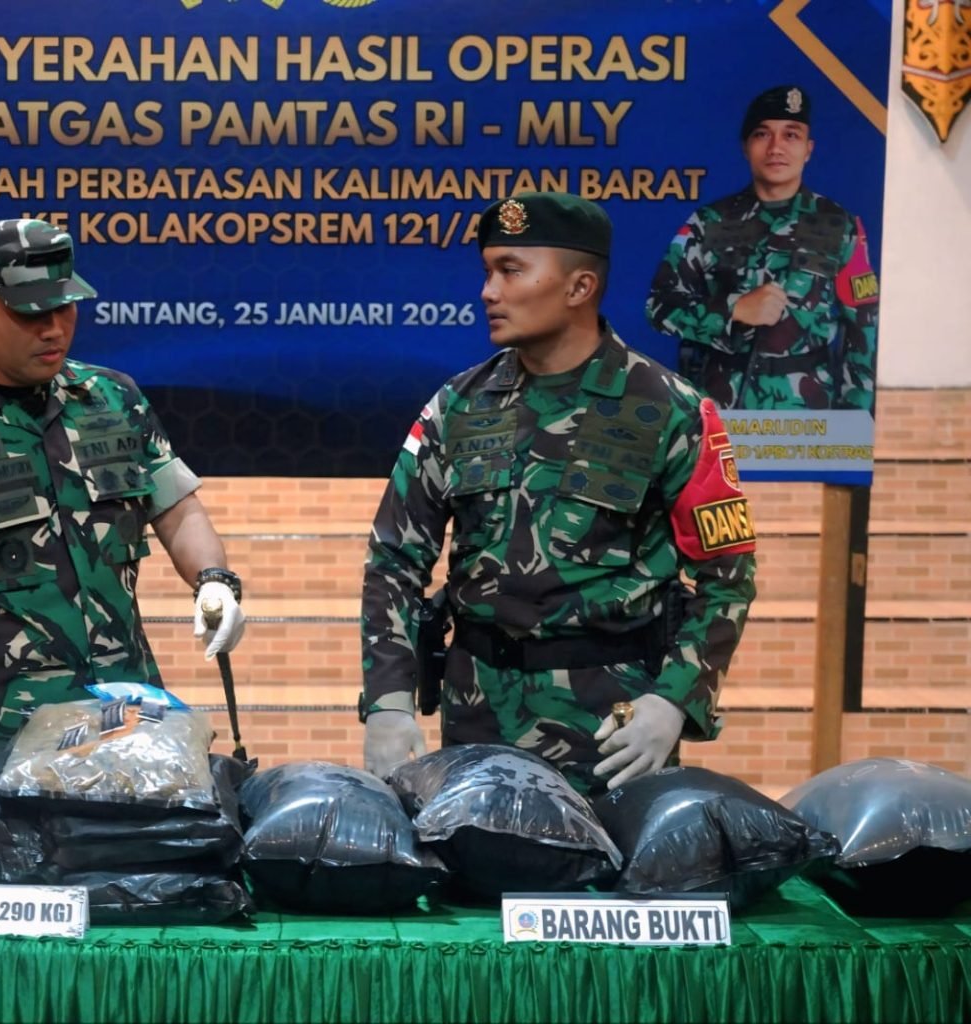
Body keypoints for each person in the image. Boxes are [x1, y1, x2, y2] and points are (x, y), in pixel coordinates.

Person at [360, 192, 758, 795]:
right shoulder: (458, 407)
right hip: (477, 717)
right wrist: (388, 701)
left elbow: (728, 574)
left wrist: (674, 701)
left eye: (510, 270)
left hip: (615, 732)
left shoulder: (670, 410)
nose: (488, 291)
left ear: (579, 287)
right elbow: (394, 561)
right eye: (488, 270)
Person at [0, 218, 246, 748]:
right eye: (29, 313)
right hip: (1, 723)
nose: (53, 329)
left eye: (64, 308)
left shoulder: (116, 401)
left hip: (126, 710)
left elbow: (179, 512)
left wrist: (214, 581)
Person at [645, 85, 880, 411]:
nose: (776, 147)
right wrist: (733, 310)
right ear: (746, 147)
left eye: (791, 135)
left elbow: (864, 323)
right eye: (762, 134)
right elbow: (659, 308)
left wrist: (855, 413)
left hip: (808, 412)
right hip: (721, 405)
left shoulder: (840, 226)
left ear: (809, 149)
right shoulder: (709, 222)